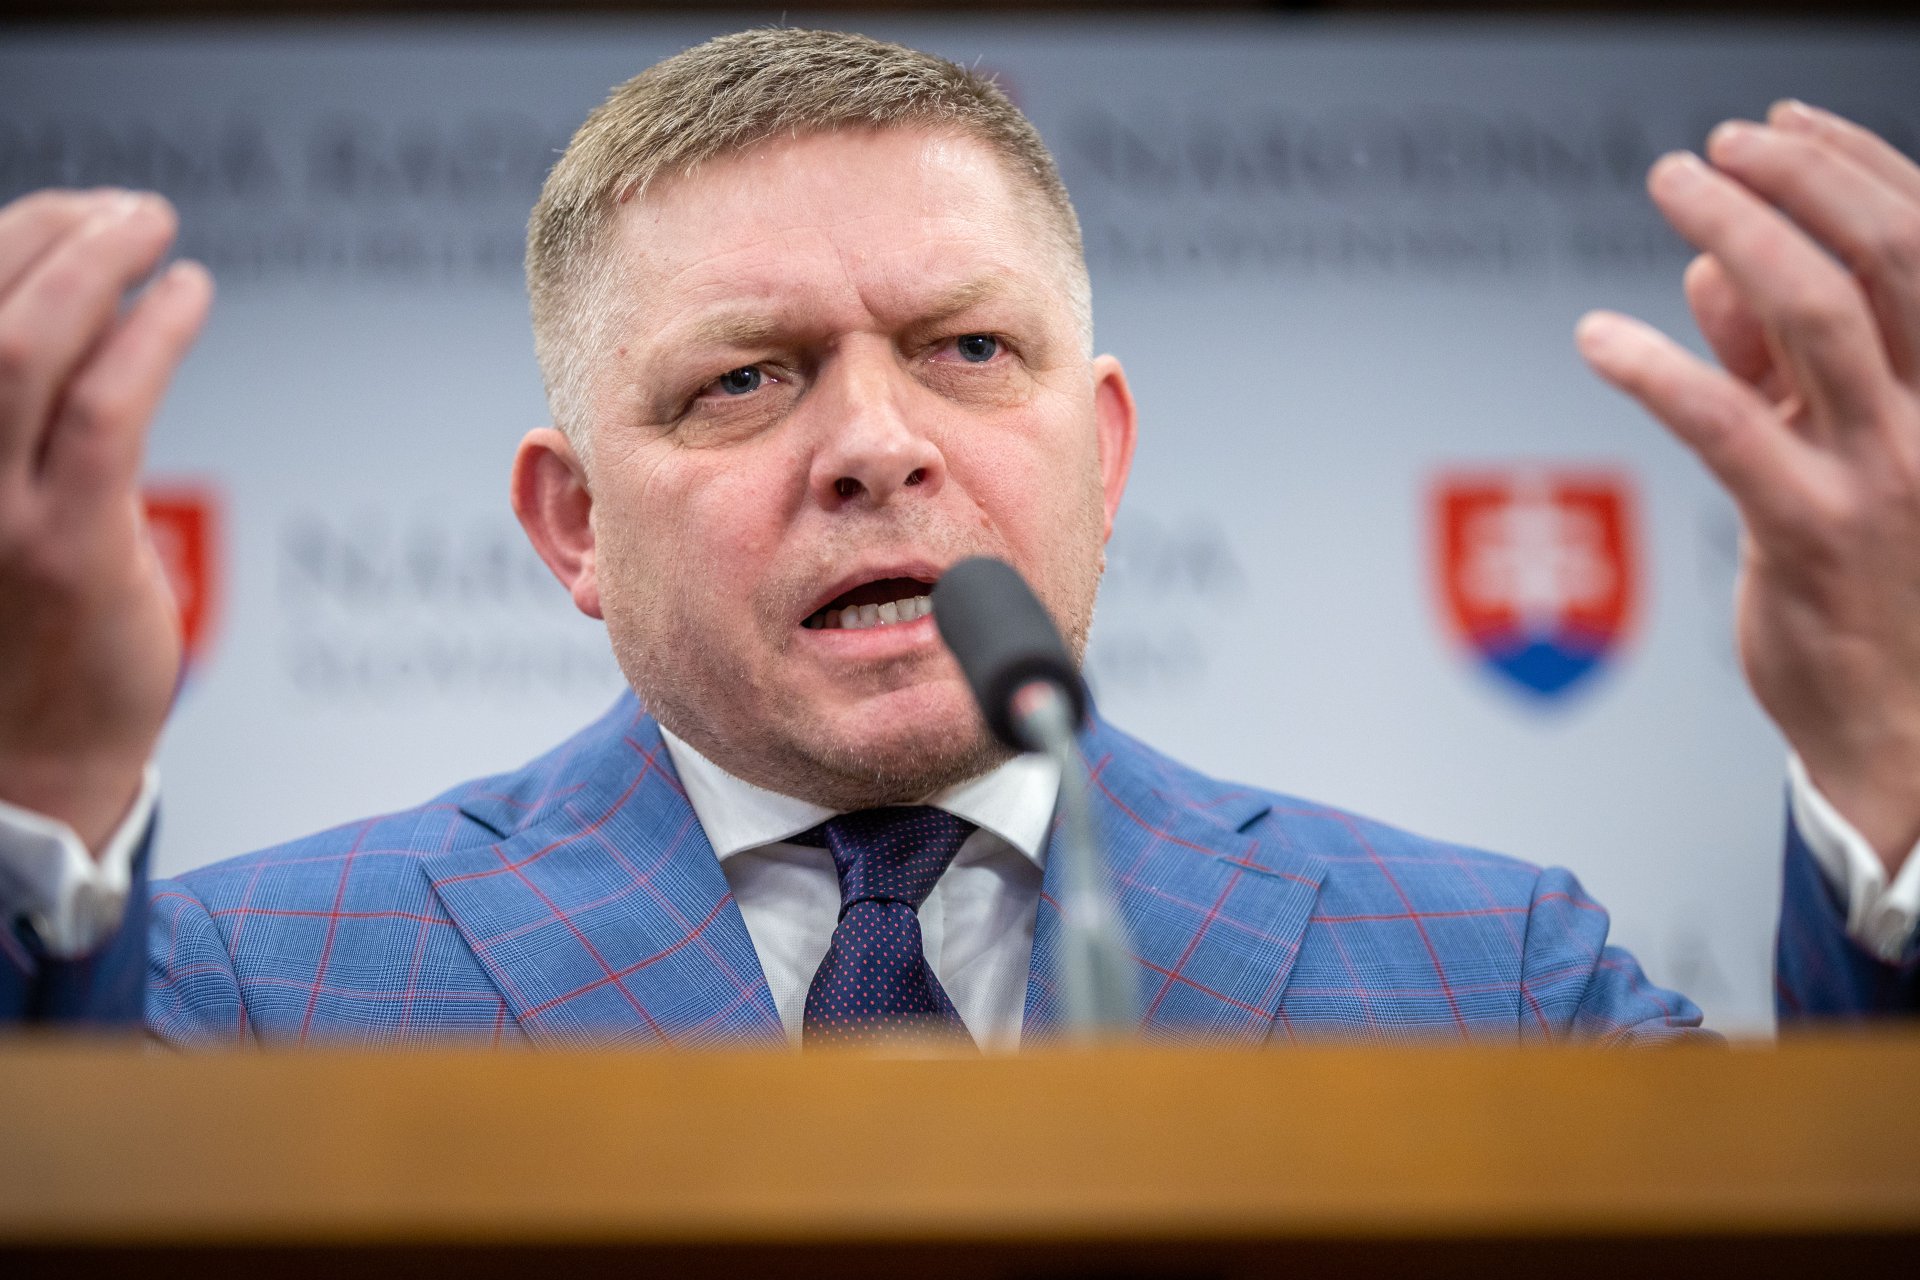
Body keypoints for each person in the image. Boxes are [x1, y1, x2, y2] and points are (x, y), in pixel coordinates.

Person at [0, 30, 1913, 1042]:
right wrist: (48, 783)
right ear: (573, 523)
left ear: (1105, 452)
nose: (875, 447)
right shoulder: (252, 988)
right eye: (745, 378)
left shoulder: (1490, 976)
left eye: (967, 351)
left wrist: (1892, 757)